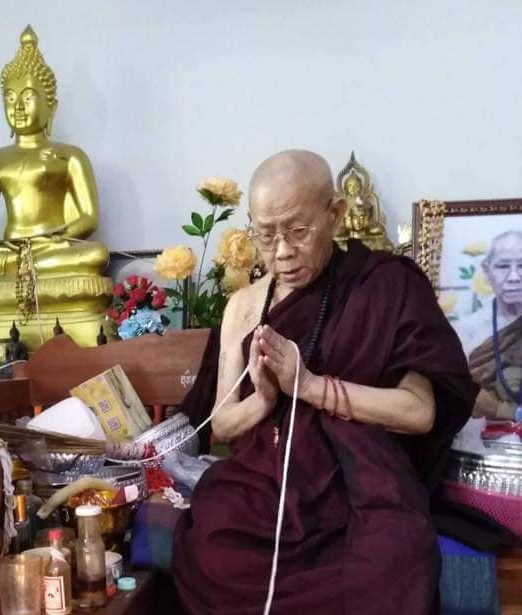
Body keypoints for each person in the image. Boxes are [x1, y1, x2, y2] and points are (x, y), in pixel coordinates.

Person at [173, 150, 476, 615]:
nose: (281, 252)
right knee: (212, 541)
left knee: (390, 560)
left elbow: (419, 412)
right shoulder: (243, 307)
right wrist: (264, 401)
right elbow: (223, 425)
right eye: (266, 235)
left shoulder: (383, 287)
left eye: (298, 231)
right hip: (262, 484)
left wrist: (310, 386)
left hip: (357, 485)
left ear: (334, 214)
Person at [456, 231, 522, 419]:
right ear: (487, 272)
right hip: (476, 435)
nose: (514, 277)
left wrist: (500, 410)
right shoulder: (466, 330)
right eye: (503, 266)